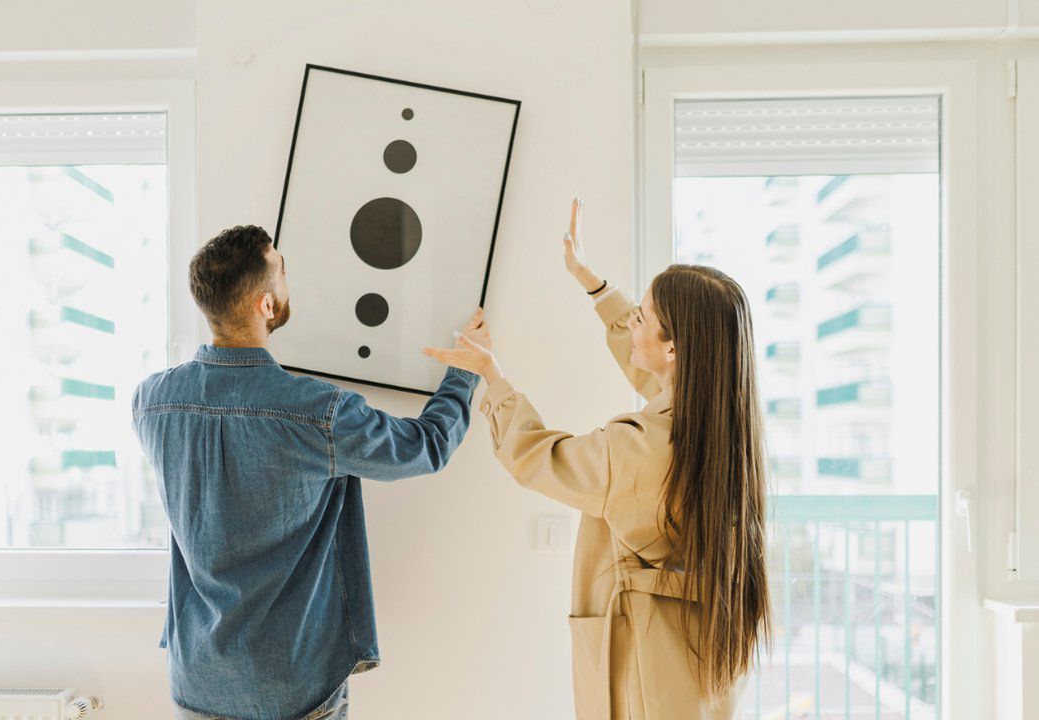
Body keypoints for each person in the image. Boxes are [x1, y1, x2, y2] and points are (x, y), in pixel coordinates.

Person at [424, 201, 771, 719]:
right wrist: (592, 284)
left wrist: (492, 378)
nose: (632, 324)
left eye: (642, 318)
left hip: (645, 675)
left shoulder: (638, 447)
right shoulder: (723, 423)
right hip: (696, 666)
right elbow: (649, 374)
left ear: (674, 347)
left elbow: (538, 457)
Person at [133, 225, 485, 720]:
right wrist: (466, 371)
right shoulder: (317, 413)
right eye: (281, 270)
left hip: (198, 679)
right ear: (266, 306)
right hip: (291, 682)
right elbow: (426, 445)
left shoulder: (150, 403)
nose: (287, 278)